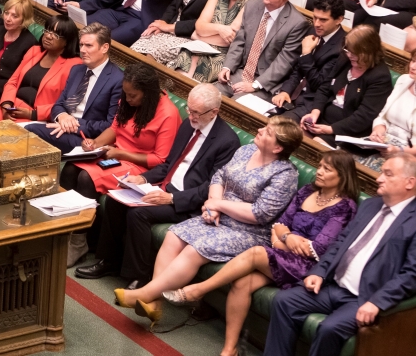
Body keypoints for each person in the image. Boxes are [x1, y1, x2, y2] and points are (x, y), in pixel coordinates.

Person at [166, 149, 359, 356]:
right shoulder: (306, 192)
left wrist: (284, 238)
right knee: (242, 283)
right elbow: (280, 224)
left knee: (257, 252)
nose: (319, 171)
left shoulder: (345, 207)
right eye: (319, 166)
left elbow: (317, 250)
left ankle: (198, 290)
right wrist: (286, 238)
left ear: (342, 176)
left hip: (310, 268)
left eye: (327, 169)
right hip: (281, 254)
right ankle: (229, 350)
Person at [119, 117, 303, 328]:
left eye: (268, 132)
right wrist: (211, 205)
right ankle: (155, 303)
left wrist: (218, 205)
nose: (260, 130)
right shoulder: (246, 151)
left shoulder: (285, 175)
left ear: (278, 147)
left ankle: (144, 293)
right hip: (219, 215)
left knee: (194, 249)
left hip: (249, 231)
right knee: (173, 235)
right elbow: (219, 177)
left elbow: (259, 213)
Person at [75, 84, 241, 283]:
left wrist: (171, 198)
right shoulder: (189, 125)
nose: (190, 116)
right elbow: (169, 164)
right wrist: (143, 179)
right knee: (114, 200)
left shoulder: (227, 141)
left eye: (196, 112)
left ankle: (139, 277)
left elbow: (211, 187)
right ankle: (107, 262)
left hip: (187, 202)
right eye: (189, 109)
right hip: (164, 187)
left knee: (139, 213)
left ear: (214, 112)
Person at [265, 153, 416, 356]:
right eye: (381, 173)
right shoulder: (371, 205)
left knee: (329, 328)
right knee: (284, 301)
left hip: (364, 297)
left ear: (410, 182)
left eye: (388, 174)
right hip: (332, 286)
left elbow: (411, 274)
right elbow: (340, 243)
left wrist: (377, 302)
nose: (379, 178)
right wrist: (319, 272)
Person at [64, 62, 182, 198]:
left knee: (87, 177)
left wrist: (121, 154)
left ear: (148, 94)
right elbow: (115, 128)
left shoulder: (168, 114)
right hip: (115, 155)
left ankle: (86, 219)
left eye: (132, 95)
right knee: (70, 168)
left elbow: (160, 160)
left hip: (140, 166)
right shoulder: (128, 102)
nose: (127, 99)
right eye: (125, 93)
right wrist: (95, 143)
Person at [27, 23, 125, 153]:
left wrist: (74, 125)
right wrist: (62, 117)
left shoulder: (117, 79)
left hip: (87, 139)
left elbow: (110, 125)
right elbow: (59, 104)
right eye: (81, 45)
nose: (83, 50)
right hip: (62, 126)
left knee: (29, 130)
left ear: (104, 47)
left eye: (89, 45)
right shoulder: (77, 70)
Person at [0, 14, 82, 125]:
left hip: (37, 116)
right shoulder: (34, 51)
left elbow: (67, 104)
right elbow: (12, 82)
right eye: (47, 31)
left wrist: (31, 114)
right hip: (13, 106)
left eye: (56, 34)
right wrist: (6, 105)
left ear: (67, 41)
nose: (48, 36)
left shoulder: (75, 65)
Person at [295, 25, 393, 148]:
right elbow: (324, 88)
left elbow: (364, 117)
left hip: (347, 132)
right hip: (323, 120)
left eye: (354, 53)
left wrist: (330, 129)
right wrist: (314, 114)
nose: (349, 55)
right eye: (348, 50)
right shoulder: (344, 59)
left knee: (314, 145)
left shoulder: (380, 77)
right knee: (291, 134)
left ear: (368, 52)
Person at [216, 0, 310, 99]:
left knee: (236, 104)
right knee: (207, 95)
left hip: (265, 83)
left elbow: (284, 62)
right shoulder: (252, 6)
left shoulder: (297, 23)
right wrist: (227, 66)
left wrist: (255, 85)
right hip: (240, 73)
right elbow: (239, 41)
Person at [172, 0, 259, 83]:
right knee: (186, 54)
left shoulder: (253, 2)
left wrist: (200, 35)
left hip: (226, 55)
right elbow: (199, 26)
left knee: (203, 65)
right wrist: (219, 28)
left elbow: (229, 40)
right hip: (200, 46)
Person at [271, 0, 346, 117]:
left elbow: (318, 83)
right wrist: (286, 91)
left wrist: (306, 54)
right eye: (315, 17)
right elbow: (298, 69)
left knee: (275, 126)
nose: (316, 23)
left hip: (310, 104)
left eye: (323, 20)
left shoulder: (342, 48)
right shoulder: (313, 31)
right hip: (291, 94)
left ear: (338, 19)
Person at [362, 55, 416, 170]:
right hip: (383, 145)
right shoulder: (404, 80)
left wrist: (399, 151)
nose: (413, 66)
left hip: (408, 156)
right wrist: (378, 132)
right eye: (413, 61)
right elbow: (383, 116)